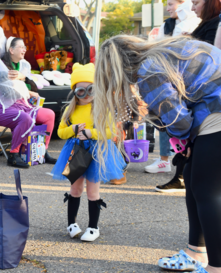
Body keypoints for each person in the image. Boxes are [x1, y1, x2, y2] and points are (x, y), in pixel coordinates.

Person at [94, 35, 221, 272]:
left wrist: (185, 141)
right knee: (194, 180)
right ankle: (196, 253)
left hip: (217, 112)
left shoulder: (149, 71)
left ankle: (216, 267)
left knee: (207, 191)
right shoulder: (164, 51)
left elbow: (178, 121)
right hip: (213, 108)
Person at [51, 63, 126, 242]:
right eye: (80, 91)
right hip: (76, 151)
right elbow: (60, 132)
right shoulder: (70, 110)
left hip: (98, 153)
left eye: (90, 89)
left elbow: (111, 132)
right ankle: (72, 223)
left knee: (93, 192)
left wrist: (92, 133)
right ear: (75, 92)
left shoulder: (103, 108)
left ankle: (93, 227)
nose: (86, 95)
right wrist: (74, 129)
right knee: (75, 188)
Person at [146, 0, 200, 193]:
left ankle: (181, 175)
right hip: (169, 80)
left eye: (171, 4)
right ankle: (169, 164)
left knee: (185, 127)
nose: (168, 9)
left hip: (189, 83)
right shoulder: (167, 25)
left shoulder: (195, 23)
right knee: (167, 122)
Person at [0, 36, 57, 168]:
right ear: (11, 50)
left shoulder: (23, 66)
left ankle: (42, 151)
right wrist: (26, 90)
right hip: (2, 107)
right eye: (21, 47)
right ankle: (13, 155)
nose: (24, 49)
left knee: (49, 114)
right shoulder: (0, 66)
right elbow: (4, 89)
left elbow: (33, 87)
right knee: (25, 118)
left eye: (25, 47)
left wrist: (24, 78)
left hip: (22, 105)